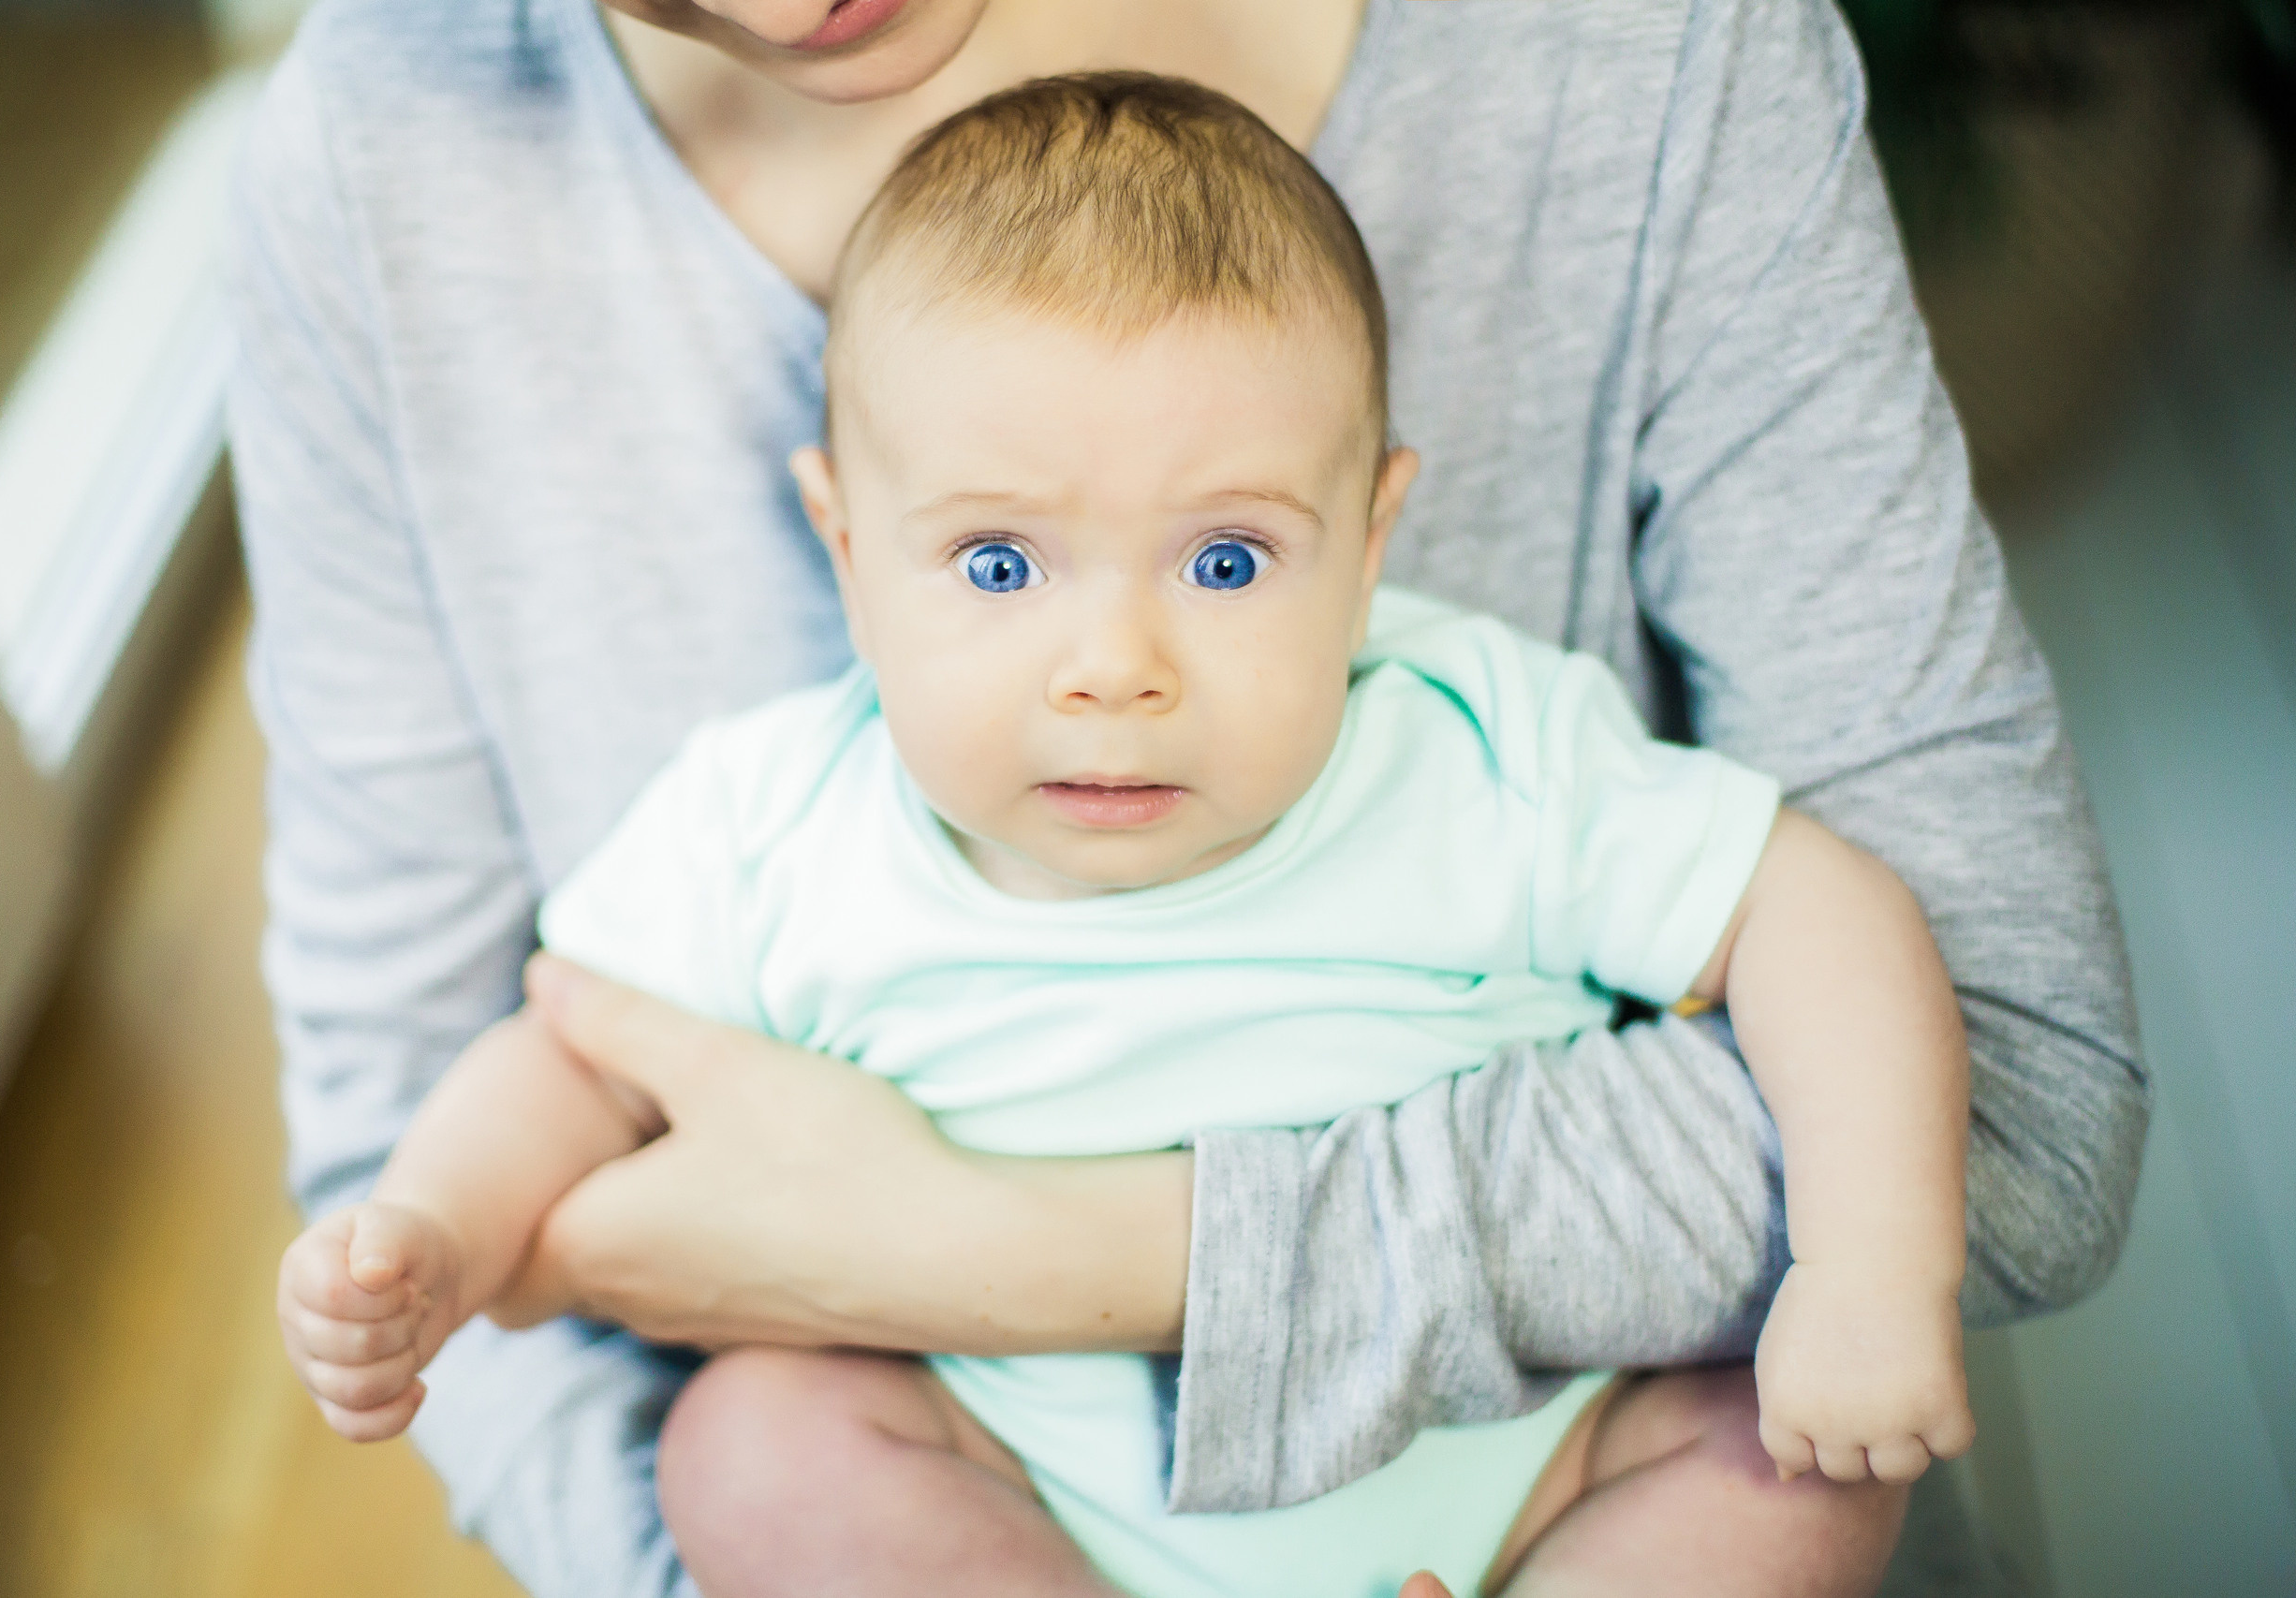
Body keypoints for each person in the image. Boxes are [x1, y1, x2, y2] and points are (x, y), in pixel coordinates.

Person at [230, 1, 2144, 1593]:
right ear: (844, 543)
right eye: (998, 565)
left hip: (1532, 1466)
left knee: (1777, 1475)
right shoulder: (776, 816)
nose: (1113, 666)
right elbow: (557, 1053)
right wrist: (434, 1234)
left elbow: (1835, 922)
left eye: (1226, 562)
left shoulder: (1464, 738)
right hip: (1022, 1511)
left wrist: (1866, 1264)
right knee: (754, 1446)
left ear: (1373, 538)